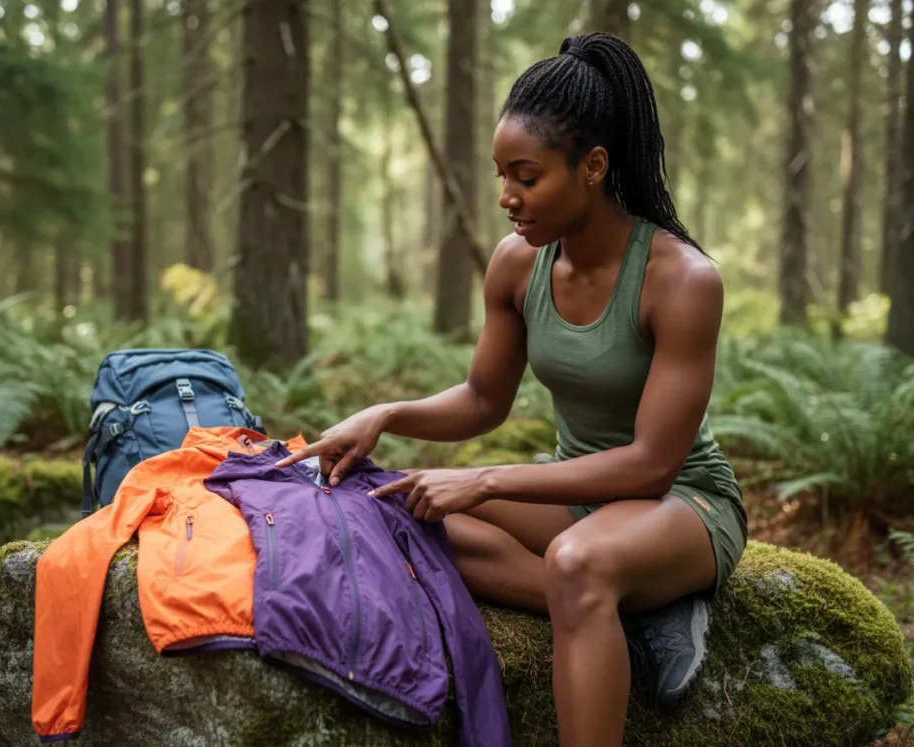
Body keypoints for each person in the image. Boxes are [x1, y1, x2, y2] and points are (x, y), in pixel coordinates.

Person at [276, 31, 748, 747]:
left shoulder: (681, 280)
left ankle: (625, 592)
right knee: (401, 512)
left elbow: (652, 462)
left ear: (592, 167)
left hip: (680, 500)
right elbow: (483, 399)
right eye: (501, 175)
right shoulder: (516, 265)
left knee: (577, 560)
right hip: (582, 497)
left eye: (527, 177)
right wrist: (385, 414)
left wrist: (488, 481)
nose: (506, 197)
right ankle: (632, 616)